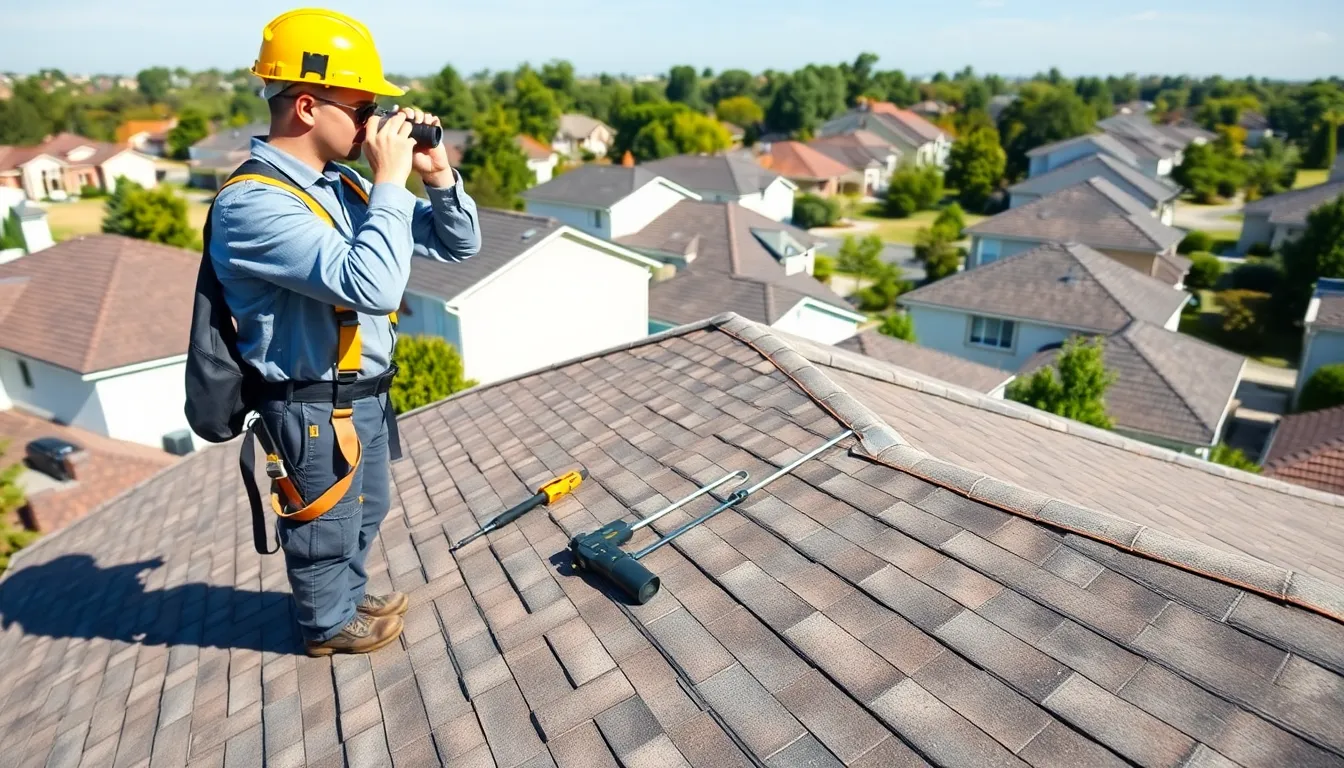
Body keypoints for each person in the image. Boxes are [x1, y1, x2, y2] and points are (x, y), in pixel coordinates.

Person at [211, 8, 480, 656]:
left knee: (363, 512)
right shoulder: (252, 204)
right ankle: (324, 626)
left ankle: (345, 594)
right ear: (307, 105)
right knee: (323, 525)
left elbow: (459, 243)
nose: (372, 125)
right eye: (362, 109)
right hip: (310, 405)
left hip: (362, 397)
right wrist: (390, 179)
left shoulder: (344, 185)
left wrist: (436, 174)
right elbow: (374, 286)